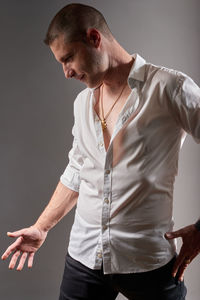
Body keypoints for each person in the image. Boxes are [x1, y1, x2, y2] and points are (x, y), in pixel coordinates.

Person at [1, 3, 200, 300]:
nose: (66, 72)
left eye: (68, 58)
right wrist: (41, 227)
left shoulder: (170, 88)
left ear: (95, 38)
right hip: (84, 258)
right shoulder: (82, 103)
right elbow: (78, 170)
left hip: (147, 261)